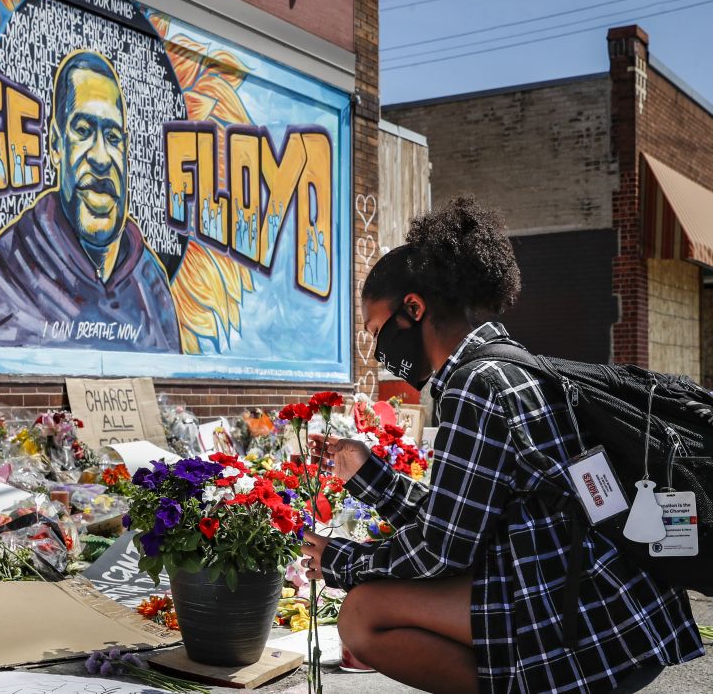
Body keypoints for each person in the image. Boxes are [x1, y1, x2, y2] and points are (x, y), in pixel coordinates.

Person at [301, 197, 703, 694]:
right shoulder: (511, 364)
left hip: (585, 625)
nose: (376, 350)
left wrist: (342, 560)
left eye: (376, 331)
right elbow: (462, 519)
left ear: (414, 308)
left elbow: (444, 549)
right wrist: (369, 476)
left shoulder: (477, 385)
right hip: (622, 611)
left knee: (363, 614)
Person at [0, 50, 180, 353]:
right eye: (83, 131)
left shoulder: (151, 285)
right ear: (56, 145)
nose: (100, 157)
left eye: (112, 136)